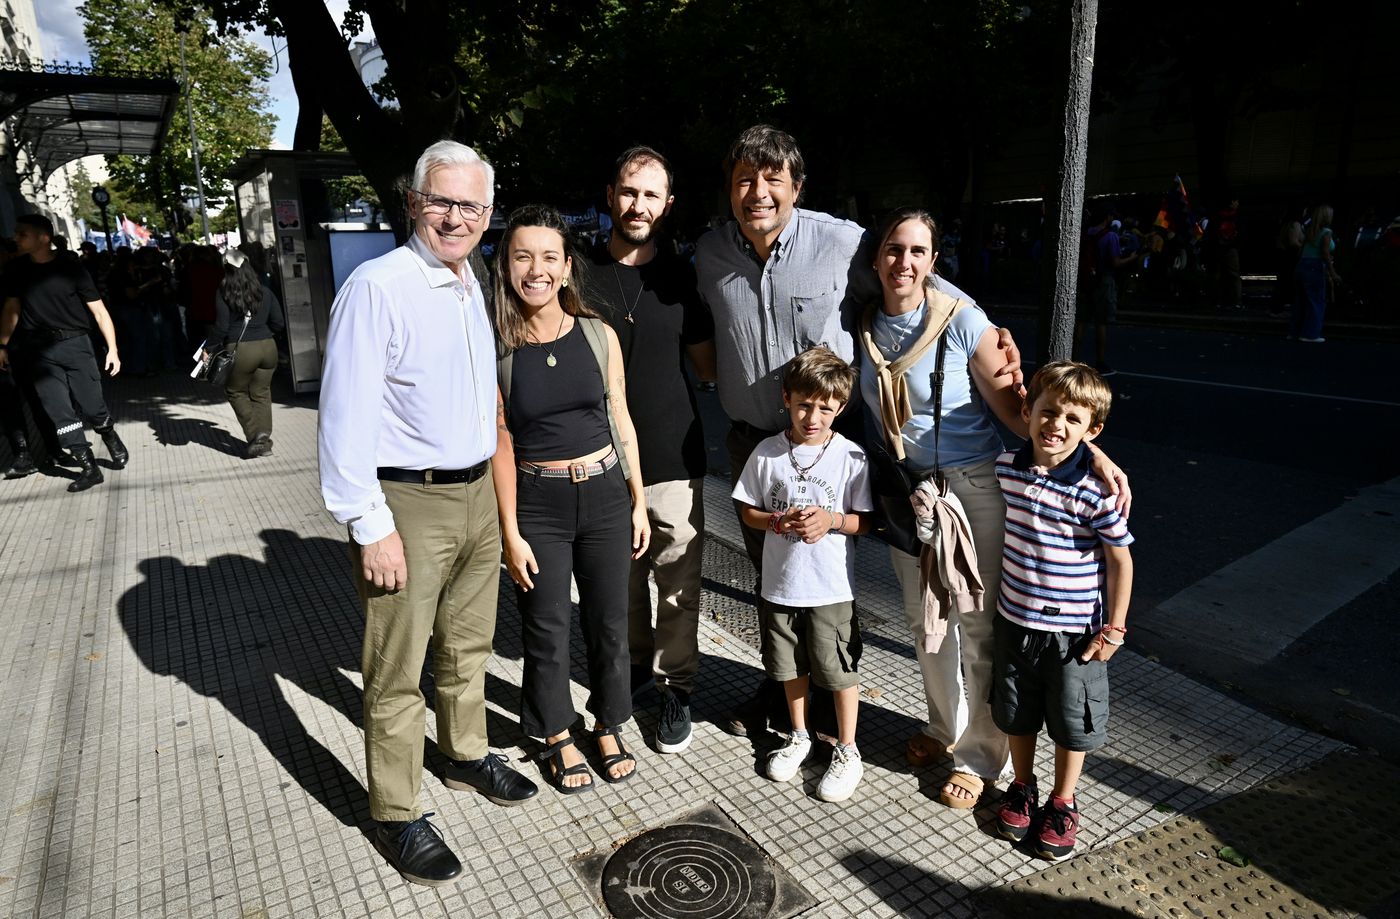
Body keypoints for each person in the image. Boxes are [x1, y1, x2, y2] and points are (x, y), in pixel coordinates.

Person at [695, 125, 1026, 739]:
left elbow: (913, 273)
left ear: (796, 186)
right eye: (745, 180)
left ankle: (834, 698)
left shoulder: (843, 242)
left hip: (833, 445)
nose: (758, 193)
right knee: (776, 576)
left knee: (832, 580)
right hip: (755, 443)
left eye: (773, 180)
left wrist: (985, 329)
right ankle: (783, 693)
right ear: (729, 188)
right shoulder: (710, 254)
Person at [318, 140, 538, 890]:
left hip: (476, 491)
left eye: (471, 205)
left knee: (468, 645)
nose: (456, 217)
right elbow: (344, 414)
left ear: (487, 212)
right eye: (441, 200)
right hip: (407, 502)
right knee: (395, 666)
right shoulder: (378, 286)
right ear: (414, 202)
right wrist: (367, 520)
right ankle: (396, 807)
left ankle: (466, 752)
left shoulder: (469, 278)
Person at [857, 207, 1129, 810]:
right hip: (910, 491)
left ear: (933, 262)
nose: (904, 262)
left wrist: (1094, 454)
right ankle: (940, 726)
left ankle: (981, 756)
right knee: (925, 621)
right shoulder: (864, 323)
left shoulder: (961, 321)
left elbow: (1022, 411)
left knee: (978, 626)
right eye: (893, 250)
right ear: (876, 258)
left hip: (975, 486)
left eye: (918, 252)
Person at [491, 204, 650, 795]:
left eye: (548, 257)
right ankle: (554, 732)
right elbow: (500, 443)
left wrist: (636, 498)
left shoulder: (597, 334)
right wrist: (509, 528)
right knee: (547, 627)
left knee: (610, 622)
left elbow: (621, 419)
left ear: (566, 267)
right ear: (506, 266)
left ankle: (609, 723)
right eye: (522, 256)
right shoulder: (496, 349)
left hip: (607, 494)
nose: (536, 269)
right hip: (539, 503)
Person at [588, 146, 715, 755]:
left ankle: (677, 687)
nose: (639, 205)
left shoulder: (682, 277)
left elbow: (707, 365)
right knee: (620, 578)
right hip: (599, 455)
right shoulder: (576, 274)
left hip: (671, 455)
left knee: (676, 581)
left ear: (668, 204)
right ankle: (636, 670)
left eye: (651, 194)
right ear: (611, 195)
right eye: (629, 191)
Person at [991, 361, 1133, 861]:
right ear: (1028, 412)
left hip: (1075, 634)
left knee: (1073, 721)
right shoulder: (1006, 468)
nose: (1057, 425)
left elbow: (1121, 560)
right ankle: (1024, 787)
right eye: (1048, 412)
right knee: (1017, 711)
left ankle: (1064, 800)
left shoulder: (1096, 492)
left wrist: (1113, 629)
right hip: (1014, 621)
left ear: (1093, 431)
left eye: (1074, 420)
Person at [732, 347, 873, 802]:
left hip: (831, 587)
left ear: (841, 408)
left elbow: (863, 522)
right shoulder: (768, 452)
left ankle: (848, 748)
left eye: (825, 409)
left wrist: (830, 520)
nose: (813, 417)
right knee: (789, 666)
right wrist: (776, 521)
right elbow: (748, 509)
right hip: (780, 584)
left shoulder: (851, 456)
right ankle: (799, 734)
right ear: (787, 398)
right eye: (804, 405)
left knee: (838, 668)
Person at [0, 214, 127, 492]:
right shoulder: (15, 270)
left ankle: (108, 434)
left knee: (92, 405)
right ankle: (88, 467)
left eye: (23, 234)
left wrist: (113, 350)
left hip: (76, 345)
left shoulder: (72, 269)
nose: (15, 238)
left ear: (43, 238)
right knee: (59, 412)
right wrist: (3, 344)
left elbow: (99, 312)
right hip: (39, 352)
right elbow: (12, 309)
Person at [204, 248, 285, 457]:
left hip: (241, 350)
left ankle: (255, 435)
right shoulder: (264, 291)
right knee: (262, 392)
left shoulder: (223, 292)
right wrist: (265, 334)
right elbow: (279, 323)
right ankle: (264, 438)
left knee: (236, 391)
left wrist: (208, 348)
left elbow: (221, 327)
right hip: (268, 347)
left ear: (226, 269)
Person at [1292, 204, 1337, 343]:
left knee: (1301, 301)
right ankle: (1310, 334)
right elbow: (1325, 253)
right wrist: (1333, 272)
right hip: (1315, 266)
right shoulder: (1326, 232)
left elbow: (1301, 252)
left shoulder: (1310, 231)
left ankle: (1294, 331)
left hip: (1302, 265)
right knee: (1316, 301)